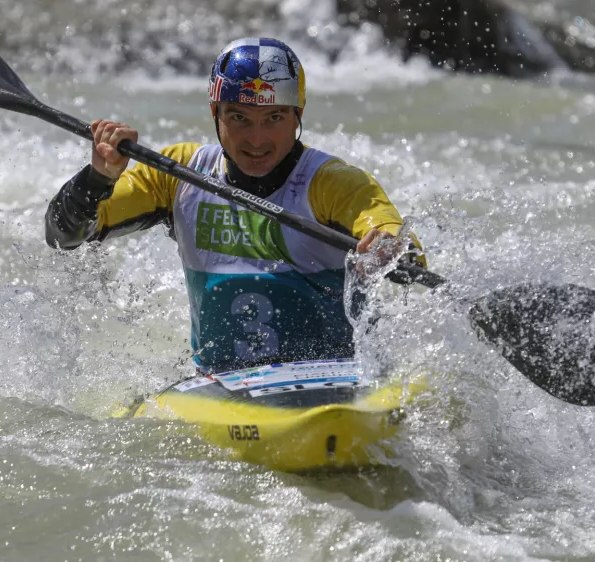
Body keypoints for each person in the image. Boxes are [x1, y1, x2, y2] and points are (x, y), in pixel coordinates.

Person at [45, 37, 424, 374]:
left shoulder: (333, 184)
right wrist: (99, 177)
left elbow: (401, 243)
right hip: (220, 387)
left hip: (338, 379)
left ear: (298, 116)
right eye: (239, 117)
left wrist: (388, 250)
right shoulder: (175, 175)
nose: (256, 139)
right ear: (216, 114)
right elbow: (63, 234)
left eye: (274, 117)